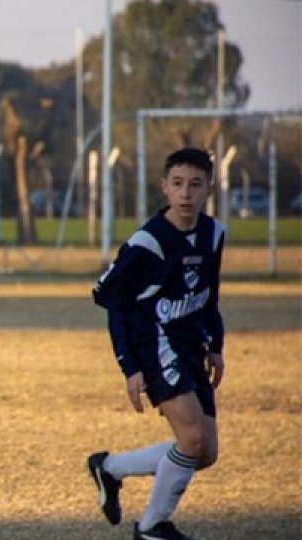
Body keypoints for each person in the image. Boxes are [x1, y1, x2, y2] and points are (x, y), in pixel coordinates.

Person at [87, 147, 225, 540]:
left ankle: (110, 468)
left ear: (209, 189)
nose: (186, 194)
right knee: (192, 440)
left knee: (205, 453)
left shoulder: (213, 234)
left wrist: (216, 343)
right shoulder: (148, 242)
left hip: (191, 346)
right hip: (155, 345)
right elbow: (111, 299)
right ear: (164, 187)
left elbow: (209, 296)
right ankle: (151, 527)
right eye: (178, 184)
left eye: (195, 185)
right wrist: (129, 366)